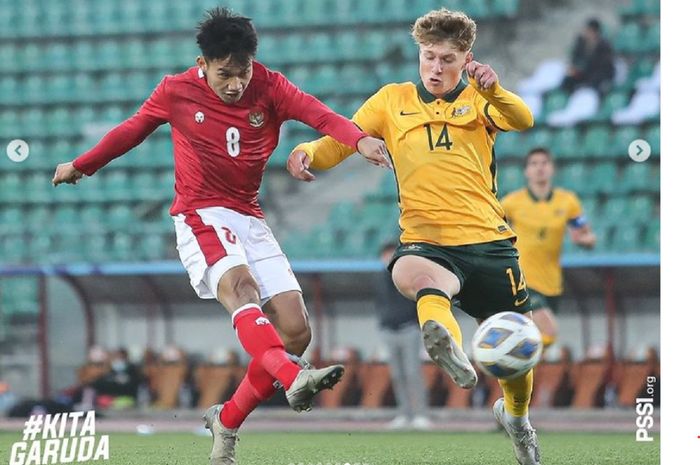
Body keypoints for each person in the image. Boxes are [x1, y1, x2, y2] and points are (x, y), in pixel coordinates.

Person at [52, 7, 389, 465]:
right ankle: (293, 380)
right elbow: (132, 131)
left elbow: (319, 114)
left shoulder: (270, 86)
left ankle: (226, 420)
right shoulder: (176, 90)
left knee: (295, 331)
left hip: (250, 217)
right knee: (242, 288)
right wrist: (81, 165)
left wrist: (359, 140)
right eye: (225, 73)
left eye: (242, 71)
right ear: (203, 63)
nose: (235, 83)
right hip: (199, 214)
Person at [288, 9, 539, 465]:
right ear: (419, 55)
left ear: (466, 59)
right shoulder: (392, 100)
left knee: (516, 356)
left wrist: (495, 89)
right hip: (427, 237)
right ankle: (447, 342)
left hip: (487, 241)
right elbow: (341, 140)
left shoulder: (480, 98)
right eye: (429, 57)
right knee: (409, 268)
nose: (436, 68)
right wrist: (307, 151)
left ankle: (517, 420)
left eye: (447, 59)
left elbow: (523, 120)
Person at [501, 148, 596, 350]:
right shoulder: (511, 203)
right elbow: (493, 231)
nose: (539, 168)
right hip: (523, 280)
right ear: (526, 171)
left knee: (536, 340)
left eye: (544, 163)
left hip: (552, 282)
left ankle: (511, 364)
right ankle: (499, 356)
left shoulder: (567, 201)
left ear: (552, 169)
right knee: (549, 331)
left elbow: (587, 235)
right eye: (534, 164)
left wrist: (583, 239)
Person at [375, 241, 431, 430]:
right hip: (389, 330)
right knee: (397, 374)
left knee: (413, 372)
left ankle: (421, 414)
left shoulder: (407, 277)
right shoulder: (379, 278)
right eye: (385, 255)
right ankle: (404, 414)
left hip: (409, 329)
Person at [561, 18, 615, 94]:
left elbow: (604, 66)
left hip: (598, 74)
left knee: (595, 81)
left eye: (589, 31)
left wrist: (584, 68)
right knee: (568, 79)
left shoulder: (604, 46)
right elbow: (575, 58)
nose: (586, 33)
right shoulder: (580, 42)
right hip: (583, 72)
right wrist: (575, 68)